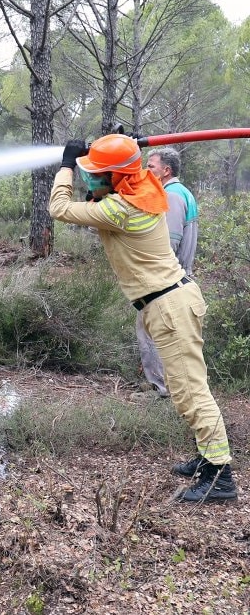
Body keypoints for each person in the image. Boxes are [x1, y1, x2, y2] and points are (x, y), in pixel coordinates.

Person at [49, 134, 236, 503]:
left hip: (169, 306)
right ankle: (207, 458)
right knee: (187, 390)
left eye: (97, 174)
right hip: (169, 302)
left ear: (117, 177)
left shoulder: (121, 209)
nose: (91, 180)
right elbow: (126, 169)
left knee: (190, 392)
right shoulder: (142, 186)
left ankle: (220, 477)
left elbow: (58, 208)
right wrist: (120, 144)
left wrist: (68, 164)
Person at [136, 147, 199, 398]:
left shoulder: (171, 195)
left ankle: (159, 388)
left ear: (166, 170)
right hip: (176, 281)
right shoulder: (180, 192)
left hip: (164, 283)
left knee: (150, 332)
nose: (146, 170)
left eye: (151, 167)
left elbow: (169, 243)